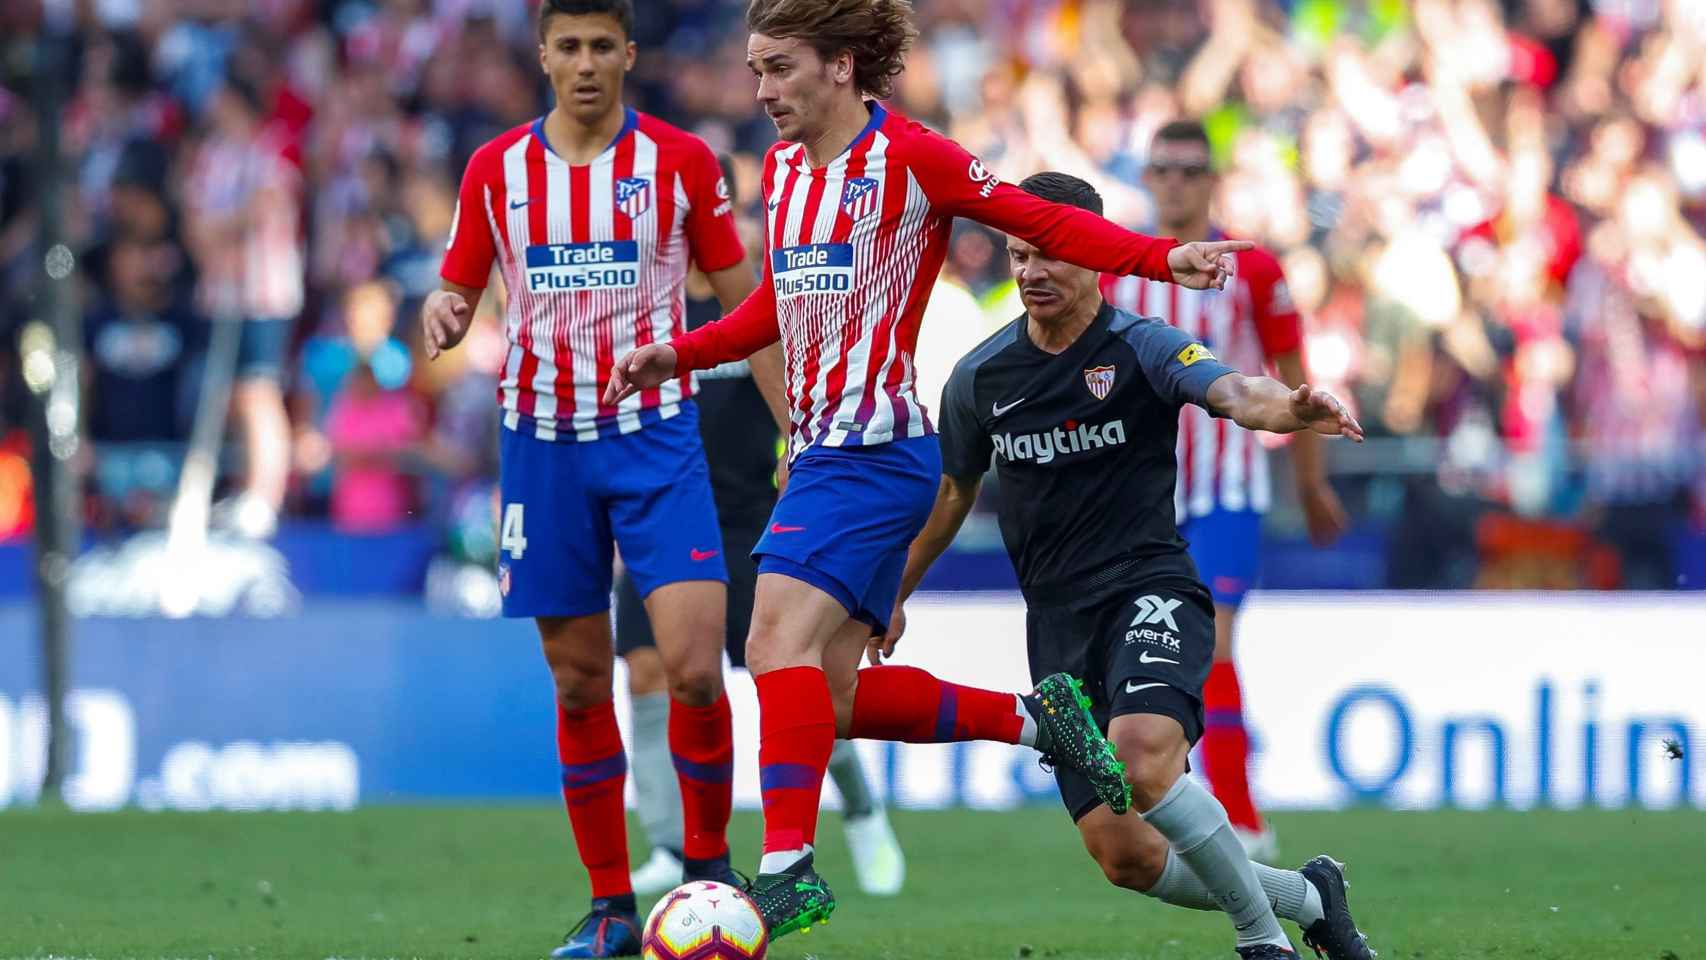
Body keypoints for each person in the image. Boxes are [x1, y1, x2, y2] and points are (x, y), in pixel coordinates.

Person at [605, 0, 1252, 939]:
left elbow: (1040, 220)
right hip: (826, 450)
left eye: (779, 68)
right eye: (754, 70)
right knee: (827, 697)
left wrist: (1164, 258)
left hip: (874, 451)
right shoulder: (786, 172)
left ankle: (787, 871)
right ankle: (1040, 721)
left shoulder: (913, 157)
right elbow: (779, 309)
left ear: (838, 65)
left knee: (767, 643)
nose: (762, 90)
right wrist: (687, 353)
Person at [885, 171, 1375, 960]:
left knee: (1144, 754)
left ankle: (1262, 941)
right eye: (1018, 256)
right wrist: (896, 589)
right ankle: (1306, 896)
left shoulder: (1143, 345)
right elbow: (952, 492)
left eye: (1051, 255)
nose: (1033, 274)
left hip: (1151, 592)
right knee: (1128, 856)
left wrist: (1289, 409)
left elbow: (1233, 390)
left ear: (1097, 255)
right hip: (1056, 627)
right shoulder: (980, 379)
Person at [421, 2, 783, 956]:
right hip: (542, 448)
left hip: (658, 439)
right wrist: (446, 309)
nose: (585, 65)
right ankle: (613, 907)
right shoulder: (496, 171)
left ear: (629, 52)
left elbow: (746, 306)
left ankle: (708, 876)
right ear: (544, 55)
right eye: (567, 47)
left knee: (699, 668)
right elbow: (458, 280)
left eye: (600, 47)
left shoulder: (679, 163)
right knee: (580, 683)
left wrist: (798, 431)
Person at [615, 174, 906, 900]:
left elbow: (804, 403)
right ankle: (666, 843)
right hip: (664, 515)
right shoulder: (640, 308)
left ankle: (862, 809)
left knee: (792, 675)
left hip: (753, 520)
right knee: (648, 673)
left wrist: (801, 471)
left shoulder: (758, 303)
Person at [1101, 120, 1351, 861]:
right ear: (1148, 179)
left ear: (1210, 179)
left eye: (1190, 169)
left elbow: (1293, 374)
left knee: (1211, 646)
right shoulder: (1120, 269)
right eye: (1164, 169)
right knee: (1145, 655)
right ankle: (1177, 811)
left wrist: (1309, 482)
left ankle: (1241, 818)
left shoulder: (1256, 271)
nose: (1176, 182)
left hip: (1227, 488)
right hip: (1144, 497)